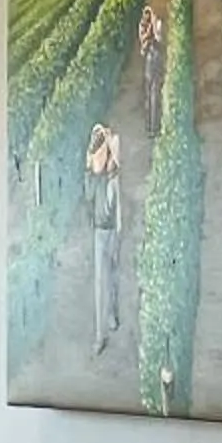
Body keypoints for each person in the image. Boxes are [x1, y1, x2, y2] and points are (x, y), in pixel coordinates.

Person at [84, 124, 127, 355]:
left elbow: (114, 203)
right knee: (101, 282)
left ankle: (112, 314)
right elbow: (89, 195)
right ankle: (100, 335)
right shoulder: (94, 177)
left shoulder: (113, 173)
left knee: (113, 274)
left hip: (113, 231)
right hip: (100, 233)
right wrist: (90, 169)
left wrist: (111, 145)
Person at [138, 4, 168, 137]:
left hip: (153, 64)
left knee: (153, 96)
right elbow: (144, 44)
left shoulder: (156, 27)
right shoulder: (144, 29)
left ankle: (152, 126)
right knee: (152, 97)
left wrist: (155, 27)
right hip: (151, 65)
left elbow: (160, 39)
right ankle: (152, 127)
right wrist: (150, 29)